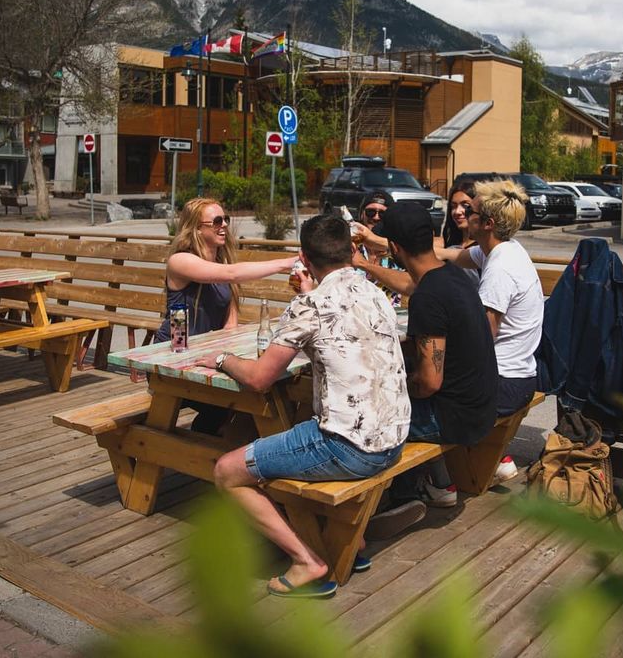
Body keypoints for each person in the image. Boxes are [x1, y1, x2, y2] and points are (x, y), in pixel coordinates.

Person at [201, 214, 410, 599]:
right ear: (351, 251)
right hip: (394, 439)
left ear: (303, 257)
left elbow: (260, 378)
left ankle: (306, 561)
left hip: (350, 448)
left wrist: (220, 359)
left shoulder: (310, 305)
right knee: (292, 431)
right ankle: (352, 543)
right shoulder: (376, 292)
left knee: (227, 471)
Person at [365, 203, 499, 533]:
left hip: (457, 419)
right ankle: (407, 492)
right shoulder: (453, 276)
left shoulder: (428, 296)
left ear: (393, 248)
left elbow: (428, 382)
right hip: (484, 406)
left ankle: (372, 506)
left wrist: (391, 388)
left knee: (365, 416)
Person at [155, 197, 298, 434]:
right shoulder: (180, 260)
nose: (224, 226)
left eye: (226, 219)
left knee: (254, 391)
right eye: (216, 221)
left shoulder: (222, 260)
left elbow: (230, 323)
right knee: (235, 401)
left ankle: (210, 449)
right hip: (174, 352)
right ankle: (198, 452)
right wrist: (287, 263)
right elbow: (231, 274)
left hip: (204, 354)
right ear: (197, 229)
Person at [440, 179, 543, 480]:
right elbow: (454, 256)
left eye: (470, 211)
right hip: (518, 375)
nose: (463, 215)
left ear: (487, 223)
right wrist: (383, 242)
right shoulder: (503, 249)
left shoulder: (500, 269)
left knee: (416, 391)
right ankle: (483, 462)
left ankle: (438, 482)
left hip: (503, 384)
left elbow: (481, 341)